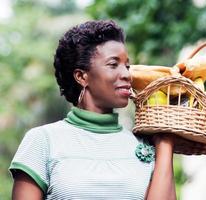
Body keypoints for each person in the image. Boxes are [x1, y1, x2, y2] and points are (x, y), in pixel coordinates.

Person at [9, 20, 176, 200]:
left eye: (127, 66)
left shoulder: (144, 146)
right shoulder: (43, 141)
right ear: (82, 76)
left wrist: (165, 143)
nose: (127, 74)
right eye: (113, 64)